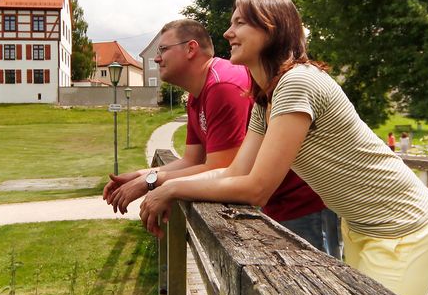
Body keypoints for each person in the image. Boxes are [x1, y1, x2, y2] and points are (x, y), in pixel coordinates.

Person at [140, 0, 428, 295]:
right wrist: (168, 186)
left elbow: (257, 189)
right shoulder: (265, 97)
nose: (227, 33)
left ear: (271, 29)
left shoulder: (298, 82)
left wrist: (172, 187)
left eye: (239, 23)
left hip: (404, 230)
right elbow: (235, 172)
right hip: (360, 228)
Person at [103, 18, 340, 256]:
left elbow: (222, 166)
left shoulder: (223, 85)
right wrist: (142, 176)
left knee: (317, 285)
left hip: (303, 203)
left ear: (190, 49)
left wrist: (155, 182)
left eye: (163, 49)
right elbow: (192, 161)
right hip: (274, 200)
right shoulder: (198, 94)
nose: (156, 58)